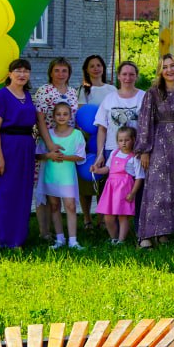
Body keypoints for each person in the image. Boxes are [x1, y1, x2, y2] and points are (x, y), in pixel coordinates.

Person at [134, 54, 174, 248]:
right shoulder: (153, 93)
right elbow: (144, 122)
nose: (169, 70)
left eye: (172, 66)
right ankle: (146, 235)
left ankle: (164, 232)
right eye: (165, 67)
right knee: (156, 190)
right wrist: (144, 149)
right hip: (159, 144)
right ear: (160, 71)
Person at [0, 58, 38, 249]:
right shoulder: (1, 96)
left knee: (22, 193)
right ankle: (1, 239)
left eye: (26, 70)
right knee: (5, 192)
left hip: (26, 148)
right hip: (8, 147)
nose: (22, 74)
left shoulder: (27, 95)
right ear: (9, 74)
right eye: (18, 70)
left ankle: (18, 238)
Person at [33, 57, 78, 242]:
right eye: (57, 70)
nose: (61, 74)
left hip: (67, 143)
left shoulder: (73, 92)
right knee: (45, 186)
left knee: (62, 185)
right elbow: (40, 118)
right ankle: (45, 231)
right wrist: (49, 143)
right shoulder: (44, 91)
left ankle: (66, 232)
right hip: (48, 142)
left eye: (64, 70)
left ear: (69, 73)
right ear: (51, 72)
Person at [76, 54, 115, 229]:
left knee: (103, 181)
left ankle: (101, 218)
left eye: (99, 65)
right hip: (87, 140)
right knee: (86, 181)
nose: (96, 68)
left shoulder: (112, 89)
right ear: (86, 69)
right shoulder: (83, 90)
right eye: (92, 65)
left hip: (107, 140)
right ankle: (86, 219)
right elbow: (81, 116)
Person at [41, 102, 86, 250]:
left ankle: (73, 241)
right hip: (51, 175)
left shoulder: (76, 134)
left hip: (67, 177)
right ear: (53, 116)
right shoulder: (49, 135)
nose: (62, 117)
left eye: (65, 114)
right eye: (58, 114)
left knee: (70, 206)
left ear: (70, 116)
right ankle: (60, 239)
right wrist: (49, 155)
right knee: (54, 206)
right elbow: (38, 154)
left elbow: (80, 156)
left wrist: (64, 157)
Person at [92, 125, 142, 244]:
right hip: (111, 188)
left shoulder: (134, 157)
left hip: (124, 189)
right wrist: (97, 170)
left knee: (122, 215)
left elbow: (139, 177)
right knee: (108, 216)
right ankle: (113, 238)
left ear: (133, 140)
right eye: (120, 140)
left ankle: (121, 240)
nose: (123, 143)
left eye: (127, 140)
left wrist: (133, 193)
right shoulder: (114, 153)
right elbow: (108, 168)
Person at [95, 62, 145, 162]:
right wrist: (99, 154)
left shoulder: (144, 97)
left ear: (136, 76)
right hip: (113, 149)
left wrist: (145, 151)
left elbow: (149, 127)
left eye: (131, 74)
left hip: (137, 150)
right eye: (124, 74)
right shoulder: (109, 98)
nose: (128, 77)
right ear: (118, 76)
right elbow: (102, 129)